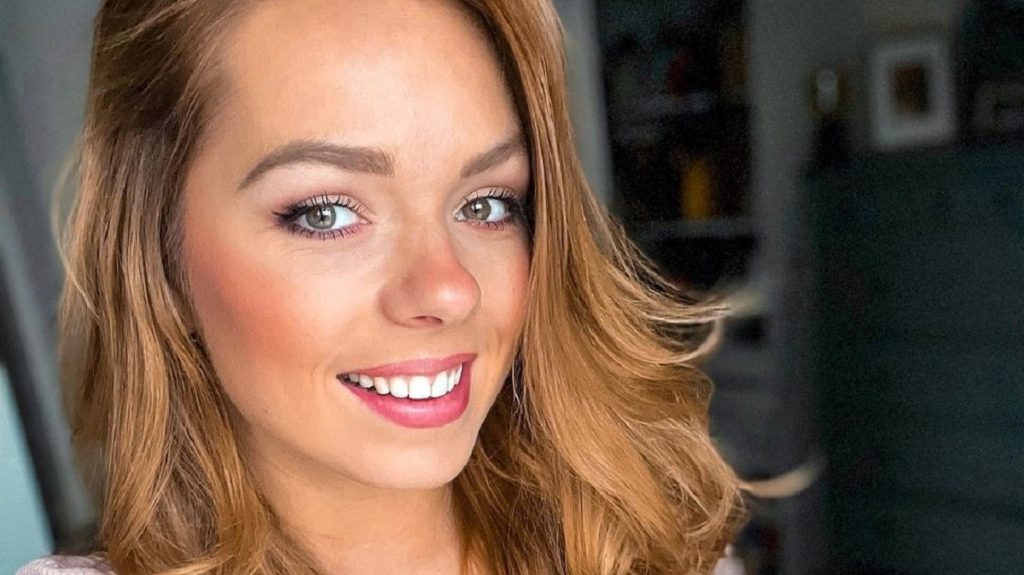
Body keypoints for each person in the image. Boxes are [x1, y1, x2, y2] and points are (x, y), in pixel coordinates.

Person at [20, 0, 746, 573]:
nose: (449, 289)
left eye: (487, 204)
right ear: (160, 256)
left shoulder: (664, 553)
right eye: (326, 213)